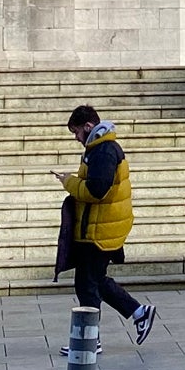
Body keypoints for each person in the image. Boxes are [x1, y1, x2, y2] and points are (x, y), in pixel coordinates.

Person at [53, 104, 157, 354]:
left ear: (89, 127)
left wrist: (68, 182)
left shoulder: (104, 150)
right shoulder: (100, 148)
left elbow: (96, 190)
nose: (76, 138)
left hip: (100, 232)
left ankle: (91, 341)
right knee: (96, 280)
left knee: (86, 284)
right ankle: (139, 313)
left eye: (77, 132)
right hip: (100, 228)